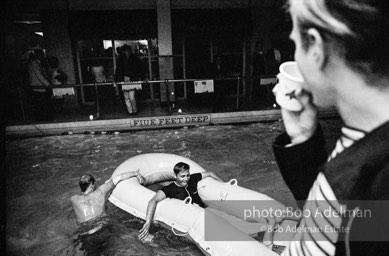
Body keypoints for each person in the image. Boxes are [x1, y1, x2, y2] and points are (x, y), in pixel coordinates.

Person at [271, 0, 389, 255]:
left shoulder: (366, 175)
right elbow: (343, 228)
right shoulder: (366, 141)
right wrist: (303, 139)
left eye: (295, 45)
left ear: (315, 47)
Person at [138, 162, 223, 240]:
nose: (186, 179)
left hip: (206, 211)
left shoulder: (192, 179)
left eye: (187, 175)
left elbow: (210, 173)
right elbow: (153, 201)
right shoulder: (170, 189)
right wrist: (148, 222)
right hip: (194, 219)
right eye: (182, 176)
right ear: (175, 176)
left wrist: (225, 185)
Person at [71, 171, 145, 224]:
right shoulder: (101, 191)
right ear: (91, 185)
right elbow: (120, 177)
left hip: (84, 232)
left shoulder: (74, 199)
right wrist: (136, 173)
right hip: (101, 227)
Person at [115, 44, 144, 115]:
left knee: (131, 97)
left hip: (130, 78)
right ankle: (131, 111)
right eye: (125, 51)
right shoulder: (125, 59)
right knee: (127, 97)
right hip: (125, 78)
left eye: (127, 51)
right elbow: (118, 70)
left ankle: (133, 110)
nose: (127, 52)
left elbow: (139, 69)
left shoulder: (129, 59)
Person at [27, 48, 53, 121]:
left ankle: (43, 118)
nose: (43, 56)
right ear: (37, 55)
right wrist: (48, 84)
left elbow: (42, 75)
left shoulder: (38, 63)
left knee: (42, 105)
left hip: (40, 87)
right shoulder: (34, 63)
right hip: (38, 88)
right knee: (41, 105)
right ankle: (42, 119)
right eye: (41, 54)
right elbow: (39, 75)